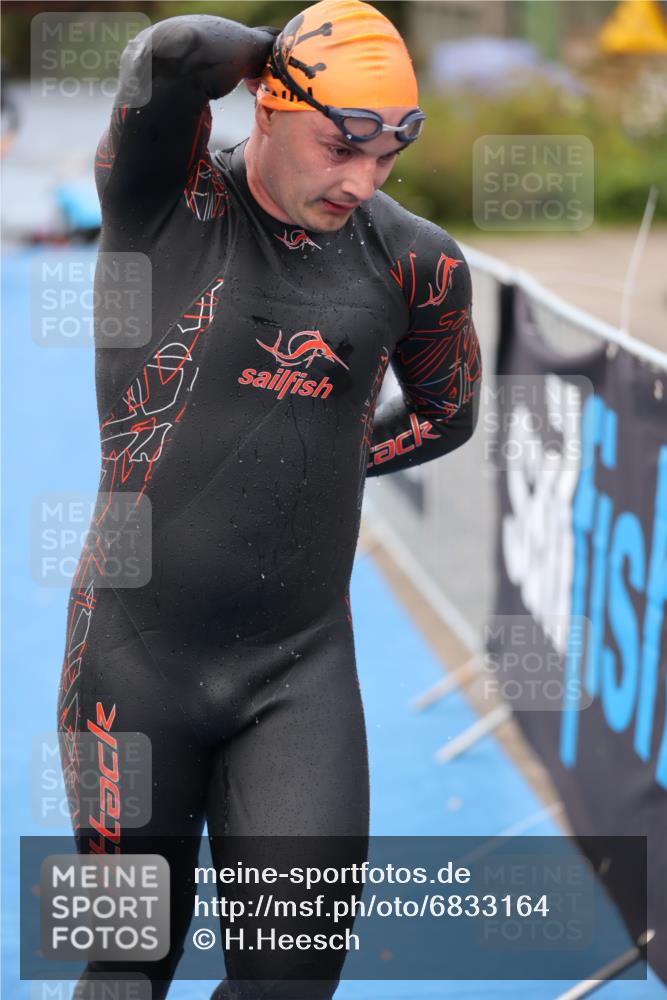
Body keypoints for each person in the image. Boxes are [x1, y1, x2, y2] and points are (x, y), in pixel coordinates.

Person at [56, 1, 482, 997]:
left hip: (298, 676)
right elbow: (169, 54)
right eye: (341, 145)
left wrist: (327, 463)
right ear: (274, 103)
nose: (360, 181)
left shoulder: (414, 261)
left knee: (291, 982)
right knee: (122, 966)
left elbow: (449, 413)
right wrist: (275, 56)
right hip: (129, 664)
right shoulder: (162, 201)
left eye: (386, 159)